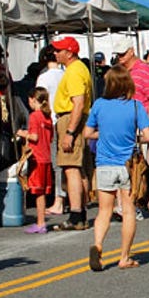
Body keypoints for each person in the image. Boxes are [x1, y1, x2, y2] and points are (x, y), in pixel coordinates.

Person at [83, 65, 149, 271]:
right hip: (127, 165)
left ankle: (98, 245)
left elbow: (87, 133)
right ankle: (124, 257)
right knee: (128, 211)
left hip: (104, 163)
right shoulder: (135, 106)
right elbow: (148, 137)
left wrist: (103, 134)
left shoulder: (99, 105)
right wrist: (134, 137)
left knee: (104, 211)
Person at [51, 36, 92, 231]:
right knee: (79, 168)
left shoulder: (75, 71)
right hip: (74, 119)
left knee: (71, 167)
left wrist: (69, 132)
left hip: (70, 118)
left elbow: (78, 103)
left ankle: (76, 214)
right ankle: (81, 213)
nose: (55, 53)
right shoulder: (78, 69)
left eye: (59, 50)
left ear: (69, 52)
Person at [16, 87, 54, 234]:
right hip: (46, 157)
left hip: (36, 157)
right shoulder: (47, 117)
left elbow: (34, 137)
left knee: (37, 191)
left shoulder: (34, 116)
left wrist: (22, 133)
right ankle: (41, 221)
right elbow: (49, 138)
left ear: (33, 99)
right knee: (43, 191)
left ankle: (40, 222)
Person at [37, 46, 68, 217]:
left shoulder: (43, 78)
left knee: (57, 163)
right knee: (67, 162)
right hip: (65, 118)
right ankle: (65, 198)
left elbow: (41, 101)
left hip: (52, 120)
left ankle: (59, 200)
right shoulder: (64, 75)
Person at [113, 37, 149, 120]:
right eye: (118, 54)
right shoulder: (118, 71)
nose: (120, 57)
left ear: (131, 51)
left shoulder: (145, 71)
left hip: (140, 121)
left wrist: (148, 126)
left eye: (123, 54)